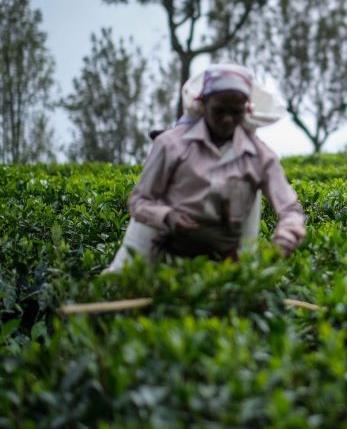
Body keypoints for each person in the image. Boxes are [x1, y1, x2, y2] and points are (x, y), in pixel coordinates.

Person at [101, 64, 305, 273]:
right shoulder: (172, 145)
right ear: (204, 104)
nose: (227, 119)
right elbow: (139, 201)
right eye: (219, 111)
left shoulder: (260, 156)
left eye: (235, 112)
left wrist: (287, 235)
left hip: (225, 252)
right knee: (122, 286)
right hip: (163, 241)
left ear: (246, 109)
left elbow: (289, 208)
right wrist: (167, 216)